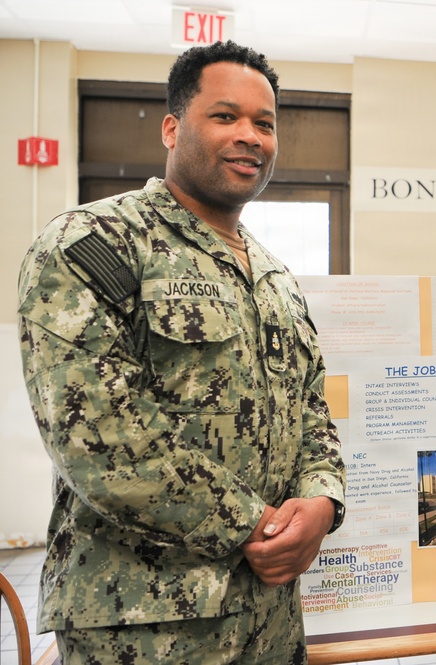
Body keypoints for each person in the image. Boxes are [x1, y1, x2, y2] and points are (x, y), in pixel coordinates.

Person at [17, 41, 347, 664]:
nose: (250, 136)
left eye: (265, 123)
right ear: (172, 127)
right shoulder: (94, 244)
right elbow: (97, 439)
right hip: (145, 627)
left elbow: (312, 413)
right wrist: (256, 524)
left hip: (270, 624)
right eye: (226, 116)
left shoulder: (274, 277)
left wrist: (324, 501)